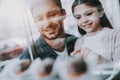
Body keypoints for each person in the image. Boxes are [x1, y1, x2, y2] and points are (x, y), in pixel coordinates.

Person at [71, 0, 120, 78]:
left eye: (89, 14)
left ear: (100, 12)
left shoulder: (115, 35)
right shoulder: (79, 42)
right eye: (78, 17)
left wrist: (96, 58)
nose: (84, 20)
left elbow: (118, 69)